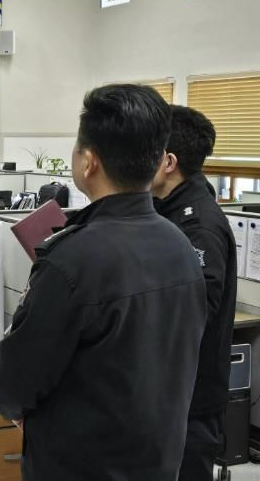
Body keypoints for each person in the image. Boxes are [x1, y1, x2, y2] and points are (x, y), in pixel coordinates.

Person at [0, 84, 208, 481]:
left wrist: (20, 410)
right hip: (159, 463)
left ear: (89, 162)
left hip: (80, 466)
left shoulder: (71, 260)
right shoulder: (181, 245)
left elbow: (13, 383)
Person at [152, 105, 237, 480]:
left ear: (168, 162)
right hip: (167, 395)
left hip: (189, 401)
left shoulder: (198, 226)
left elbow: (192, 314)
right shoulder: (167, 211)